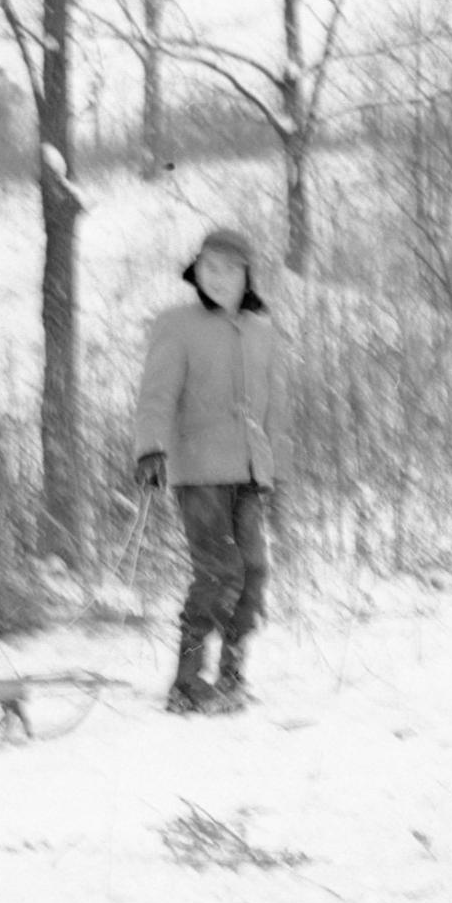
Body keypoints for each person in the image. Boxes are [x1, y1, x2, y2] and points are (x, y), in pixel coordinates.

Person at [134, 227, 292, 714]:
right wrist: (151, 449)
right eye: (209, 268)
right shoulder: (176, 324)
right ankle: (185, 682)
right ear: (196, 272)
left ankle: (232, 674)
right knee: (217, 570)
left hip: (250, 470)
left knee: (254, 571)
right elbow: (157, 393)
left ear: (248, 277)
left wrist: (278, 474)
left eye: (229, 269)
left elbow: (277, 412)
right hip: (198, 468)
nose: (217, 278)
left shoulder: (263, 332)